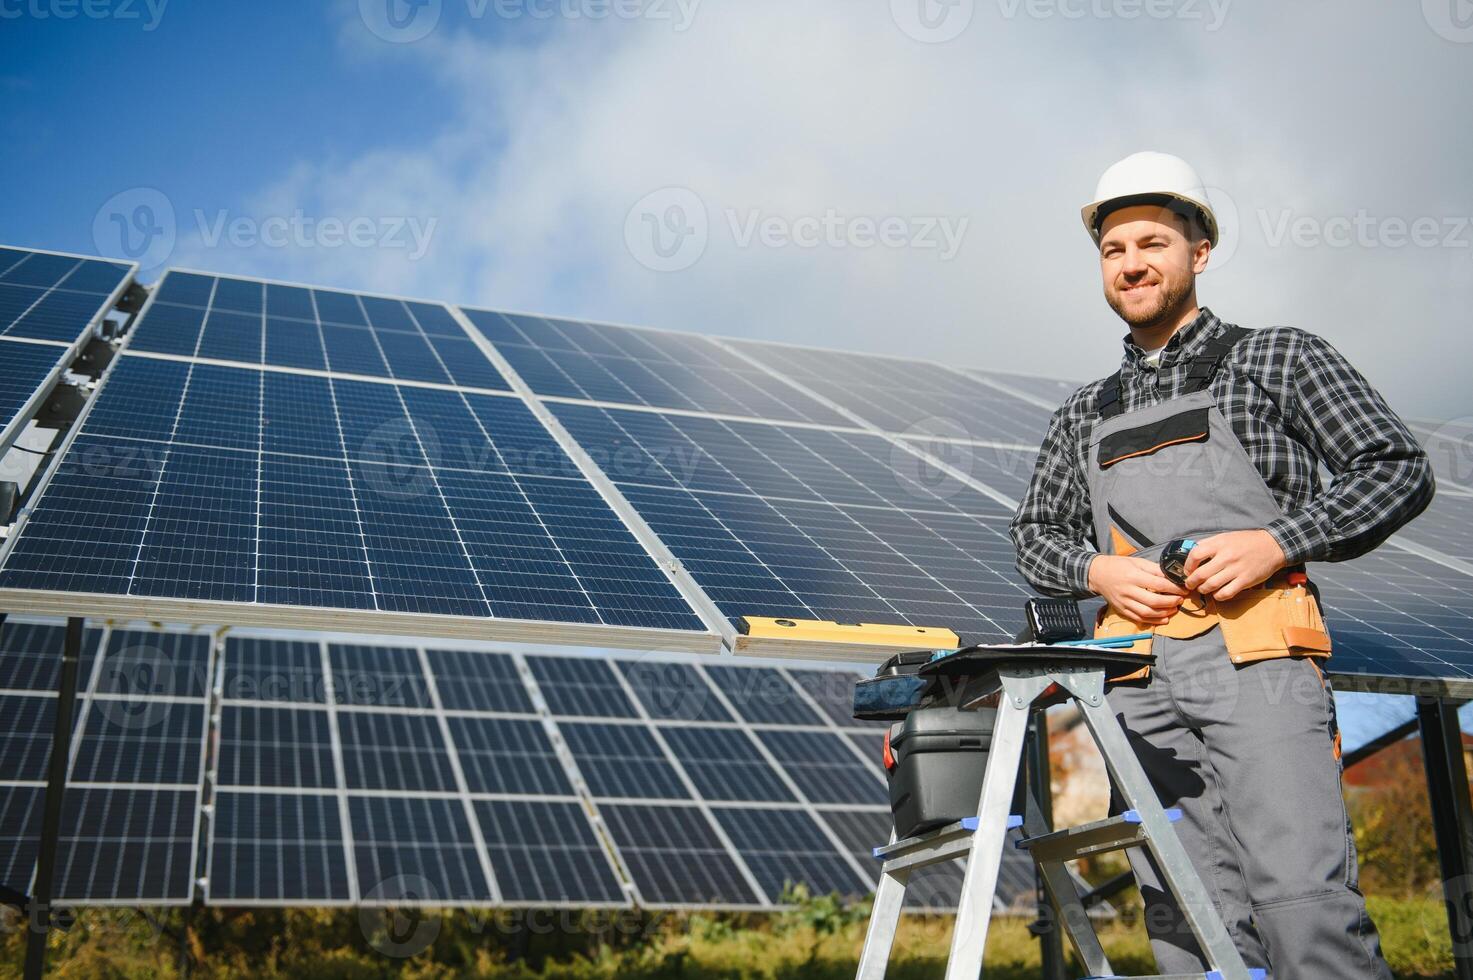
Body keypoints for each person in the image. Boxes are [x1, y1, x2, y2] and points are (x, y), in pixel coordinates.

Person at [1010, 150, 1435, 977]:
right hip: (1135, 678)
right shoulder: (1080, 412)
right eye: (1113, 249)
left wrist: (1277, 541)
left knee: (1299, 899)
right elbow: (1032, 534)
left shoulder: (1276, 356)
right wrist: (1096, 573)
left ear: (1198, 252)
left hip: (1260, 657)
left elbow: (1395, 469)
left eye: (1153, 244)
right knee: (1181, 908)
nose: (1131, 263)